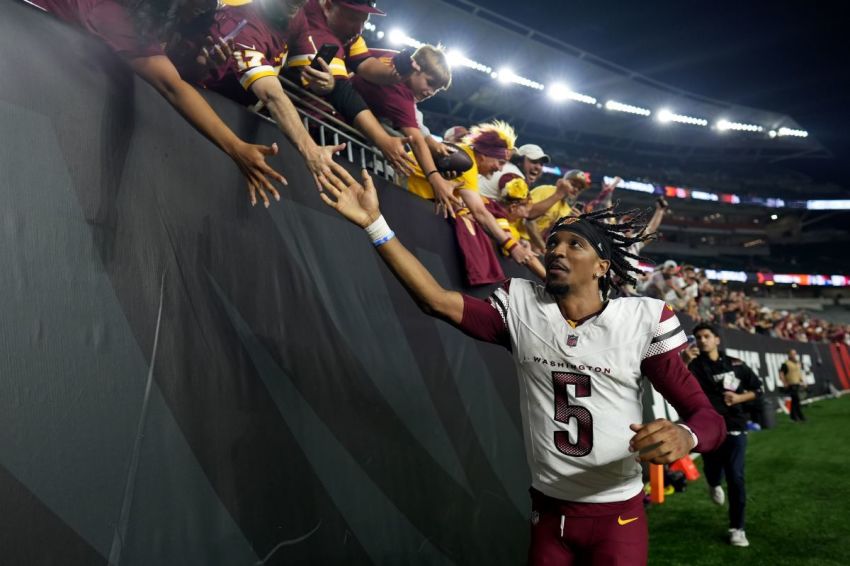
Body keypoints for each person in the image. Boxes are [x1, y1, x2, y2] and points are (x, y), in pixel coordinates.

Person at [317, 162, 726, 566]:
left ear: (603, 267)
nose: (557, 250)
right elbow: (435, 300)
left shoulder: (640, 320)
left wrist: (686, 436)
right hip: (547, 511)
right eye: (553, 243)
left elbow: (707, 416)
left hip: (616, 513)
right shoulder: (521, 305)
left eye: (574, 245)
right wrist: (375, 225)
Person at [31, 0, 288, 207]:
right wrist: (236, 147)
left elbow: (171, 67)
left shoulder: (158, 19)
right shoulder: (115, 14)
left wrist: (199, 66)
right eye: (200, 5)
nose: (209, 8)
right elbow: (171, 86)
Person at [168, 0, 346, 190]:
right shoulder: (241, 24)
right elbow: (271, 95)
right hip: (201, 113)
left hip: (240, 115)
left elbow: (305, 68)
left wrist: (325, 82)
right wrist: (311, 150)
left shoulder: (295, 12)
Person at [283, 0, 415, 175]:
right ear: (329, 6)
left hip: (311, 121)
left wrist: (394, 74)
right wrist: (383, 141)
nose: (359, 29)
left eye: (364, 20)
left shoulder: (344, 29)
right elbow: (342, 93)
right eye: (353, 19)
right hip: (285, 120)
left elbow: (364, 62)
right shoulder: (314, 28)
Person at [406, 121, 536, 278]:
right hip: (404, 194)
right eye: (499, 162)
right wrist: (512, 247)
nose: (500, 169)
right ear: (483, 156)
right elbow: (480, 212)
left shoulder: (467, 159)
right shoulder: (466, 163)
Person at [351, 44, 460, 212]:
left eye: (436, 90)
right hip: (333, 118)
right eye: (430, 83)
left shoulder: (393, 57)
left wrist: (434, 144)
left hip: (336, 105)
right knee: (401, 141)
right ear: (416, 68)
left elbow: (354, 55)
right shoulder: (400, 94)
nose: (431, 92)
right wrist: (435, 178)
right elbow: (416, 140)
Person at [682, 323, 763, 548]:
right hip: (708, 429)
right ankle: (713, 482)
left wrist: (739, 399)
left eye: (707, 336)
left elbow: (758, 390)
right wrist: (685, 362)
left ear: (717, 339)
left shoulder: (736, 364)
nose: (702, 340)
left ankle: (738, 528)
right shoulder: (694, 366)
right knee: (712, 469)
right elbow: (677, 384)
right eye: (698, 337)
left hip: (736, 427)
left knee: (736, 477)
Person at [478, 143, 550, 200]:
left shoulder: (507, 168)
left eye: (541, 164)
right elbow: (524, 212)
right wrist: (557, 195)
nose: (538, 167)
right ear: (519, 161)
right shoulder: (514, 176)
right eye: (534, 161)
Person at [779, 349, 807, 422]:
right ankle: (799, 416)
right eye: (792, 354)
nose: (794, 355)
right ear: (789, 355)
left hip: (797, 383)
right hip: (791, 384)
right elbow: (781, 374)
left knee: (795, 401)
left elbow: (799, 373)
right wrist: (784, 382)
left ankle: (794, 416)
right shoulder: (785, 364)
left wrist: (802, 381)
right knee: (796, 400)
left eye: (795, 353)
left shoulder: (797, 363)